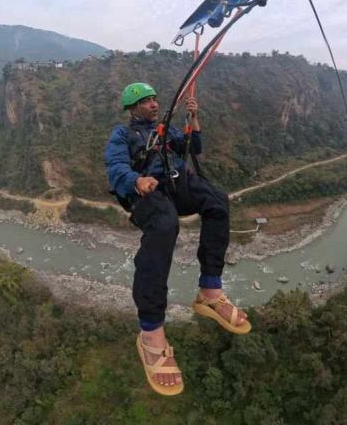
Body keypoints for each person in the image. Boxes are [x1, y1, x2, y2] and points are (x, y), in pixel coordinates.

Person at [104, 82, 250, 396]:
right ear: (133, 107)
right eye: (146, 101)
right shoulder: (123, 135)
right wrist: (136, 179)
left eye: (155, 99)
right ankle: (151, 331)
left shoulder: (164, 129)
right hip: (148, 192)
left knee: (217, 201)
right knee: (165, 225)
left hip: (175, 184)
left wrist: (193, 120)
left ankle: (210, 291)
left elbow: (192, 147)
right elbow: (115, 168)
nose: (154, 103)